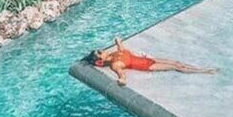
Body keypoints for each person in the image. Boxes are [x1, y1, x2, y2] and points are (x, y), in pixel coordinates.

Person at [85, 37, 217, 86]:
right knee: (175, 67)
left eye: (99, 50)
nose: (102, 50)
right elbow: (121, 74)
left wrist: (119, 42)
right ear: (100, 60)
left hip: (147, 59)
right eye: (100, 52)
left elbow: (122, 50)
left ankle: (200, 68)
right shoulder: (115, 65)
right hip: (148, 66)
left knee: (176, 62)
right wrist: (122, 80)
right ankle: (204, 71)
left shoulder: (114, 53)